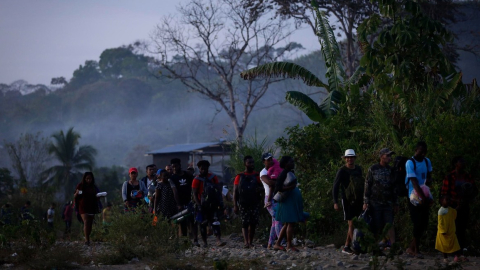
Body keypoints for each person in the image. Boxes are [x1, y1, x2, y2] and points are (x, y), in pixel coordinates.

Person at [440, 156, 477, 261]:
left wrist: (467, 197)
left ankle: (459, 253)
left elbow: (475, 190)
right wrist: (455, 201)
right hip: (453, 207)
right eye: (461, 162)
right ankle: (453, 253)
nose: (464, 164)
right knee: (452, 230)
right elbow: (444, 194)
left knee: (461, 229)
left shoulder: (467, 176)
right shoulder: (450, 177)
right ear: (456, 164)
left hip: (464, 206)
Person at [363, 148, 397, 248]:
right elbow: (367, 185)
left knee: (389, 223)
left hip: (388, 202)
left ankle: (393, 245)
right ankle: (375, 245)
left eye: (390, 156)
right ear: (381, 156)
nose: (389, 158)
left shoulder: (391, 170)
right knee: (376, 224)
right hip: (375, 202)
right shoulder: (373, 169)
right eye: (387, 156)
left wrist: (396, 203)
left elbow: (394, 187)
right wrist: (365, 201)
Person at [333, 149, 364, 255]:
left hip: (358, 200)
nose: (350, 159)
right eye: (348, 157)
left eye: (352, 157)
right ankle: (355, 247)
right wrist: (335, 202)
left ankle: (346, 246)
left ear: (354, 158)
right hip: (347, 200)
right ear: (345, 159)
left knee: (355, 223)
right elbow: (335, 186)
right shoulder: (342, 171)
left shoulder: (358, 169)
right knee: (351, 223)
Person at [405, 141, 433, 258]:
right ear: (416, 150)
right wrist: (423, 197)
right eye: (420, 152)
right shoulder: (410, 163)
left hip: (425, 194)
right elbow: (414, 182)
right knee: (417, 222)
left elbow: (429, 176)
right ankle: (416, 250)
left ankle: (411, 247)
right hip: (414, 196)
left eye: (424, 152)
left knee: (424, 223)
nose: (422, 154)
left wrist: (428, 192)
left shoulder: (427, 161)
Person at [273, 156, 305, 252]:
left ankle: (278, 243)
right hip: (287, 201)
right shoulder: (284, 173)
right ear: (286, 164)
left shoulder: (289, 172)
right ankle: (289, 245)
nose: (293, 163)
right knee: (290, 223)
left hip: (290, 200)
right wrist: (290, 187)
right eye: (291, 162)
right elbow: (278, 188)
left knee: (287, 224)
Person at [192, 160, 226, 247]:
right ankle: (205, 242)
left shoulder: (213, 177)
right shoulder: (196, 179)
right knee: (203, 224)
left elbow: (218, 190)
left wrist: (220, 202)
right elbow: (195, 194)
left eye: (205, 168)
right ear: (199, 169)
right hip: (202, 205)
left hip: (213, 204)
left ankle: (218, 240)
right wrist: (198, 205)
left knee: (216, 222)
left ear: (208, 168)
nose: (203, 170)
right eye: (201, 168)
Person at [233, 156, 262, 248]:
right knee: (245, 223)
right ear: (245, 164)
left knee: (253, 223)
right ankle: (246, 242)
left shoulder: (257, 175)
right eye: (249, 162)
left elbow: (263, 187)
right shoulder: (239, 176)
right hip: (243, 203)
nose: (251, 164)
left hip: (254, 202)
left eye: (252, 162)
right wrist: (235, 205)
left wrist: (259, 190)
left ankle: (250, 241)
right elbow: (235, 191)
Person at [169, 158, 197, 242]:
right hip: (179, 202)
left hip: (189, 201)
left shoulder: (187, 175)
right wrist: (178, 204)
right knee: (182, 222)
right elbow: (174, 192)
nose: (174, 168)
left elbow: (193, 187)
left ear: (180, 166)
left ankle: (195, 239)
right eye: (173, 167)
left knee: (193, 221)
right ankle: (185, 240)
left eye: (176, 166)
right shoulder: (172, 178)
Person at [259, 153, 283, 249]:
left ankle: (270, 244)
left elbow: (274, 182)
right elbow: (270, 183)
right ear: (264, 162)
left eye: (271, 159)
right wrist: (277, 181)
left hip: (276, 196)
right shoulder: (263, 172)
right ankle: (281, 242)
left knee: (274, 222)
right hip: (269, 197)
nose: (270, 161)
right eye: (267, 160)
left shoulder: (275, 169)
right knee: (278, 218)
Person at [75, 172, 101, 246]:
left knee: (90, 223)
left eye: (90, 179)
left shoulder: (94, 187)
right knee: (86, 222)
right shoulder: (80, 186)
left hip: (91, 207)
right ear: (84, 179)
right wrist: (77, 193)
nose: (88, 180)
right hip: (82, 207)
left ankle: (88, 237)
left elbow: (97, 196)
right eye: (87, 179)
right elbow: (75, 196)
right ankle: (87, 240)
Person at [436, 195, 461, 263]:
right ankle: (445, 258)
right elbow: (440, 222)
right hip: (444, 232)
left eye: (449, 200)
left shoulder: (450, 209)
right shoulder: (441, 211)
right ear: (441, 201)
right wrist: (442, 231)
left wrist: (458, 205)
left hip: (451, 231)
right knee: (443, 246)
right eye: (446, 200)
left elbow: (454, 212)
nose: (448, 201)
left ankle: (457, 256)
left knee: (455, 244)